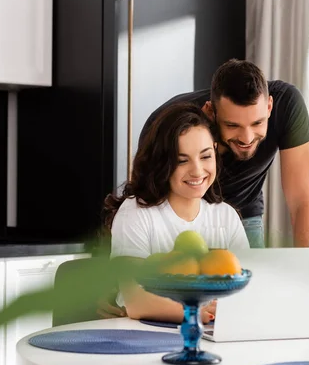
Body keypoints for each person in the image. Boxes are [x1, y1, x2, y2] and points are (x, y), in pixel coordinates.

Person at [140, 59, 309, 249]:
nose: (246, 138)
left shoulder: (286, 105)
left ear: (269, 107)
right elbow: (149, 194)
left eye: (257, 123)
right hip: (183, 216)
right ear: (210, 111)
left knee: (253, 277)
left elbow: (303, 200)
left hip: (244, 213)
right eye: (232, 125)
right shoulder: (169, 126)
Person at [103, 102, 250, 324]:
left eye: (206, 156)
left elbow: (249, 292)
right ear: (162, 163)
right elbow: (136, 300)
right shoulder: (136, 212)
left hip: (214, 333)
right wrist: (196, 314)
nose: (198, 170)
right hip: (143, 335)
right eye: (182, 160)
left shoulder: (226, 216)